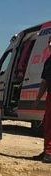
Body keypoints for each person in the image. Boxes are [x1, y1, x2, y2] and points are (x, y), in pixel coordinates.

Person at [33, 36, 51, 164]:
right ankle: (47, 151)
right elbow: (44, 82)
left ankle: (49, 152)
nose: (50, 43)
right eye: (49, 41)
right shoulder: (48, 61)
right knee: (47, 124)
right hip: (50, 96)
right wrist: (38, 98)